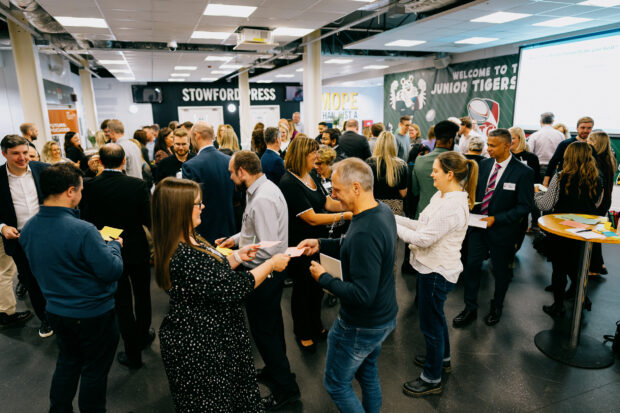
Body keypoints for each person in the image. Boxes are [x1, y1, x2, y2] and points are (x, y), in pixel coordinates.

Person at [152, 177, 290, 412]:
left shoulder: (187, 237)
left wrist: (237, 256)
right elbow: (231, 288)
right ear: (180, 209)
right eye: (198, 204)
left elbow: (210, 274)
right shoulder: (184, 253)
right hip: (202, 344)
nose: (203, 207)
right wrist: (271, 264)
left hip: (212, 334)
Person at [19, 162, 124, 412]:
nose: (81, 194)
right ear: (69, 191)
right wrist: (114, 246)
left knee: (67, 362)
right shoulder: (83, 230)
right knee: (94, 371)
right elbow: (111, 270)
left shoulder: (29, 228)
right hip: (93, 313)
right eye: (80, 189)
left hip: (56, 311)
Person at [298, 158, 397, 412]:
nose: (333, 196)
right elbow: (350, 245)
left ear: (355, 187)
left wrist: (324, 278)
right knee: (367, 374)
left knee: (336, 384)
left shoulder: (366, 230)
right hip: (383, 318)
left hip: (360, 325)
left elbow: (362, 295)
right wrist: (321, 243)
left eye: (336, 190)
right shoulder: (381, 211)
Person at [215, 151, 301, 410]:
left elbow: (267, 248)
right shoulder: (261, 190)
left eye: (232, 172)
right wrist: (236, 238)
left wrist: (236, 256)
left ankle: (286, 389)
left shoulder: (262, 197)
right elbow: (255, 232)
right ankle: (278, 372)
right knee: (271, 327)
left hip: (264, 274)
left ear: (242, 171)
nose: (230, 177)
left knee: (265, 333)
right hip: (267, 271)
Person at [396, 151, 478, 397]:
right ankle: (443, 359)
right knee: (436, 317)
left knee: (430, 326)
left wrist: (391, 225)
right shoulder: (442, 196)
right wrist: (392, 217)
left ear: (450, 174)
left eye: (435, 170)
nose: (431, 174)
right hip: (431, 268)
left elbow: (423, 238)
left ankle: (432, 379)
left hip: (436, 272)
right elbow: (422, 225)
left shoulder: (452, 205)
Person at [81, 143, 153, 369]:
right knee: (142, 295)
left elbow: (87, 220)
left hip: (106, 248)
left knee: (121, 301)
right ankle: (142, 335)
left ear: (100, 162)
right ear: (124, 161)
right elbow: (146, 219)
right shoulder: (138, 185)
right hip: (137, 247)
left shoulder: (89, 186)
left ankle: (132, 353)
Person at [453, 128, 534, 328]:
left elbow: (524, 206)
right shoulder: (484, 165)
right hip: (477, 228)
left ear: (507, 146)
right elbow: (475, 193)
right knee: (471, 266)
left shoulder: (523, 172)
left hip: (503, 231)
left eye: (492, 146)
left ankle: (497, 306)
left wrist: (495, 219)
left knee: (500, 272)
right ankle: (469, 307)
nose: (487, 149)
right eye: (487, 144)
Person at [278, 136, 352, 353]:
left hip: (318, 243)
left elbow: (326, 202)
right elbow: (310, 217)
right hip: (301, 245)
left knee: (316, 288)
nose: (317, 158)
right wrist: (345, 215)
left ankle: (316, 325)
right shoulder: (289, 183)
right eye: (314, 154)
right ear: (303, 155)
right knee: (303, 290)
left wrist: (350, 205)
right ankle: (302, 331)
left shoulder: (311, 177)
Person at [534, 142, 603, 317]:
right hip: (585, 232)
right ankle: (581, 297)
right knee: (577, 267)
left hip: (561, 230)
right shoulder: (598, 178)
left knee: (559, 270)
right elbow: (597, 204)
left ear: (568, 156)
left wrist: (537, 192)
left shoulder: (560, 177)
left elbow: (546, 204)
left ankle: (557, 307)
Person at [0, 135, 51, 337]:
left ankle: (68, 317)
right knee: (32, 282)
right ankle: (46, 320)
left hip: (49, 234)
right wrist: (2, 227)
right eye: (16, 154)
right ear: (4, 154)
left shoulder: (43, 170)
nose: (22, 157)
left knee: (58, 276)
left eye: (25, 152)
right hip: (19, 239)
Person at [182, 121, 236, 244]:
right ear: (212, 136)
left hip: (203, 230)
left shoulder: (191, 166)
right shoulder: (229, 160)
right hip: (229, 227)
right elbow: (237, 195)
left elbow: (188, 202)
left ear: (196, 135)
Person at [411, 120, 459, 218]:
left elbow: (415, 191)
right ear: (450, 141)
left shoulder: (419, 160)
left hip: (422, 215)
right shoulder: (459, 163)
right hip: (448, 217)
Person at [588, 131, 616, 277]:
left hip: (598, 202)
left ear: (595, 143)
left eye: (590, 140)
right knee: (595, 232)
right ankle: (599, 264)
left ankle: (595, 266)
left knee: (591, 234)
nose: (587, 142)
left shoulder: (595, 160)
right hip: (605, 201)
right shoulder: (610, 158)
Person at [543, 116, 594, 186]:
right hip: (565, 181)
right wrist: (546, 181)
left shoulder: (593, 146)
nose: (585, 130)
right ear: (577, 128)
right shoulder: (565, 144)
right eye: (582, 127)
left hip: (586, 182)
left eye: (589, 128)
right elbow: (553, 162)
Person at [366, 131, 408, 215]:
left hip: (374, 206)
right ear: (394, 146)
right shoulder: (402, 165)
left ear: (378, 144)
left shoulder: (369, 163)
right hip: (394, 208)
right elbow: (403, 193)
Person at [510, 126, 541, 236]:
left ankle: (534, 226)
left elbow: (536, 177)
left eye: (512, 138)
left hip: (527, 192)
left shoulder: (531, 157)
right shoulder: (506, 157)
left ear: (520, 139)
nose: (509, 141)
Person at [528, 112, 565, 179]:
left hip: (538, 168)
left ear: (541, 121)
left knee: (538, 189)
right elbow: (563, 154)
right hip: (555, 169)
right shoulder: (560, 135)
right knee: (553, 189)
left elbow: (529, 153)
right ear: (553, 121)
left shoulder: (534, 135)